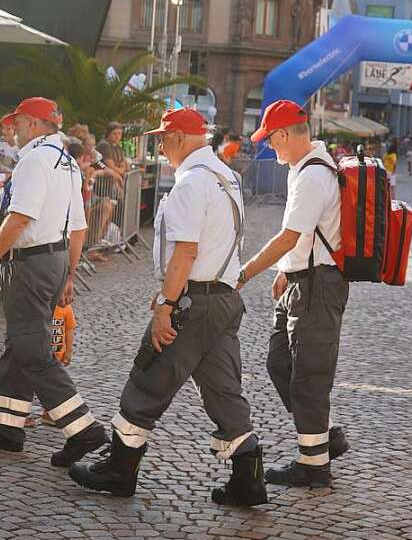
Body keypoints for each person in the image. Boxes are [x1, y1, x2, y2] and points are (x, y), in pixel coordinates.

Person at [69, 107, 266, 507]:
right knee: (223, 390)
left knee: (148, 377)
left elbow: (186, 251)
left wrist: (165, 304)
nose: (160, 146)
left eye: (162, 138)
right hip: (223, 298)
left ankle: (119, 469)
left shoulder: (193, 182)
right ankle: (248, 477)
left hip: (193, 301)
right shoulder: (225, 174)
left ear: (178, 137)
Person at [0, 97, 107, 466]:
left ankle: (82, 428)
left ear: (32, 124)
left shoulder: (34, 160)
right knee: (21, 341)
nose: (11, 131)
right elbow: (78, 228)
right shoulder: (66, 160)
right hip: (55, 258)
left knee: (32, 349)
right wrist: (68, 273)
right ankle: (6, 425)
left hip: (31, 263)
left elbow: (19, 217)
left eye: (16, 123)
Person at [237, 100, 350, 487]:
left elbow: (289, 236)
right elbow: (303, 236)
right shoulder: (304, 169)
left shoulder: (312, 177)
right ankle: (327, 435)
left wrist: (246, 272)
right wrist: (286, 271)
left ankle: (314, 465)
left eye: (271, 140)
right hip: (302, 279)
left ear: (285, 134)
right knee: (280, 364)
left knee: (308, 376)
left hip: (317, 285)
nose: (270, 148)